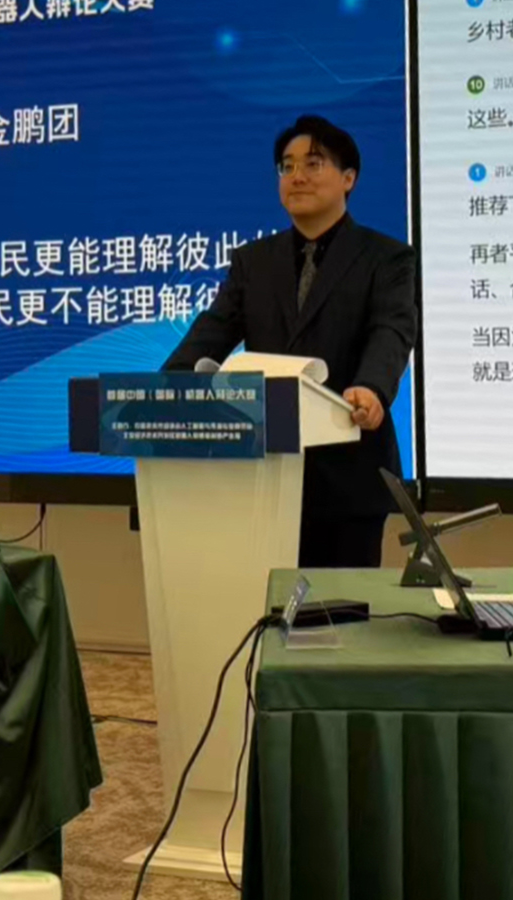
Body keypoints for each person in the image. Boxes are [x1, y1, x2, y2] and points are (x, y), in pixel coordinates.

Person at [164, 115, 417, 568]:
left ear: (348, 178)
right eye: (287, 166)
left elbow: (391, 331)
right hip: (260, 480)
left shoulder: (387, 258)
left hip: (347, 479)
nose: (297, 175)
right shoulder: (253, 262)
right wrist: (167, 387)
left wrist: (372, 388)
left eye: (313, 163)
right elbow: (211, 333)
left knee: (341, 609)